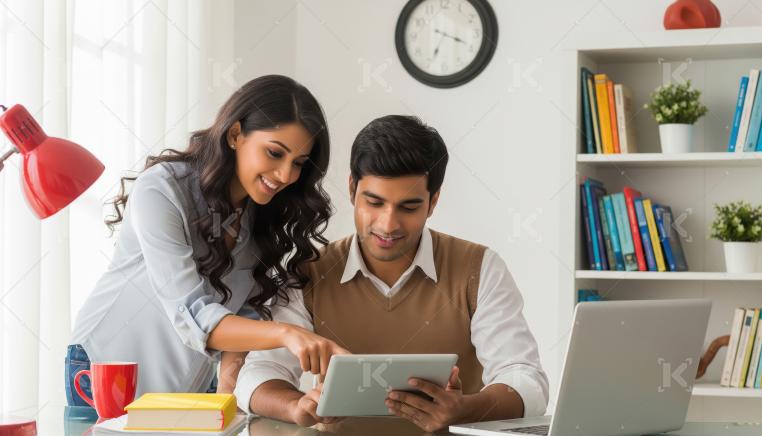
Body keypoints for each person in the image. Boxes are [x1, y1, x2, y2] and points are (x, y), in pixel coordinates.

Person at [234, 115, 549, 432]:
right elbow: (256, 376)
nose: (388, 225)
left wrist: (465, 409)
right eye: (374, 202)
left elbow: (525, 379)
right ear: (352, 188)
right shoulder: (306, 270)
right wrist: (296, 407)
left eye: (408, 207)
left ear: (433, 201)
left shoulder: (480, 268)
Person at [66, 75, 347, 405]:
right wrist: (288, 334)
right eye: (274, 153)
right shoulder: (162, 190)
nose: (286, 175)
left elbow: (244, 320)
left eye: (298, 163)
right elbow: (192, 313)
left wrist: (226, 404)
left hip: (186, 389)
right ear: (235, 135)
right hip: (105, 370)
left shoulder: (262, 215)